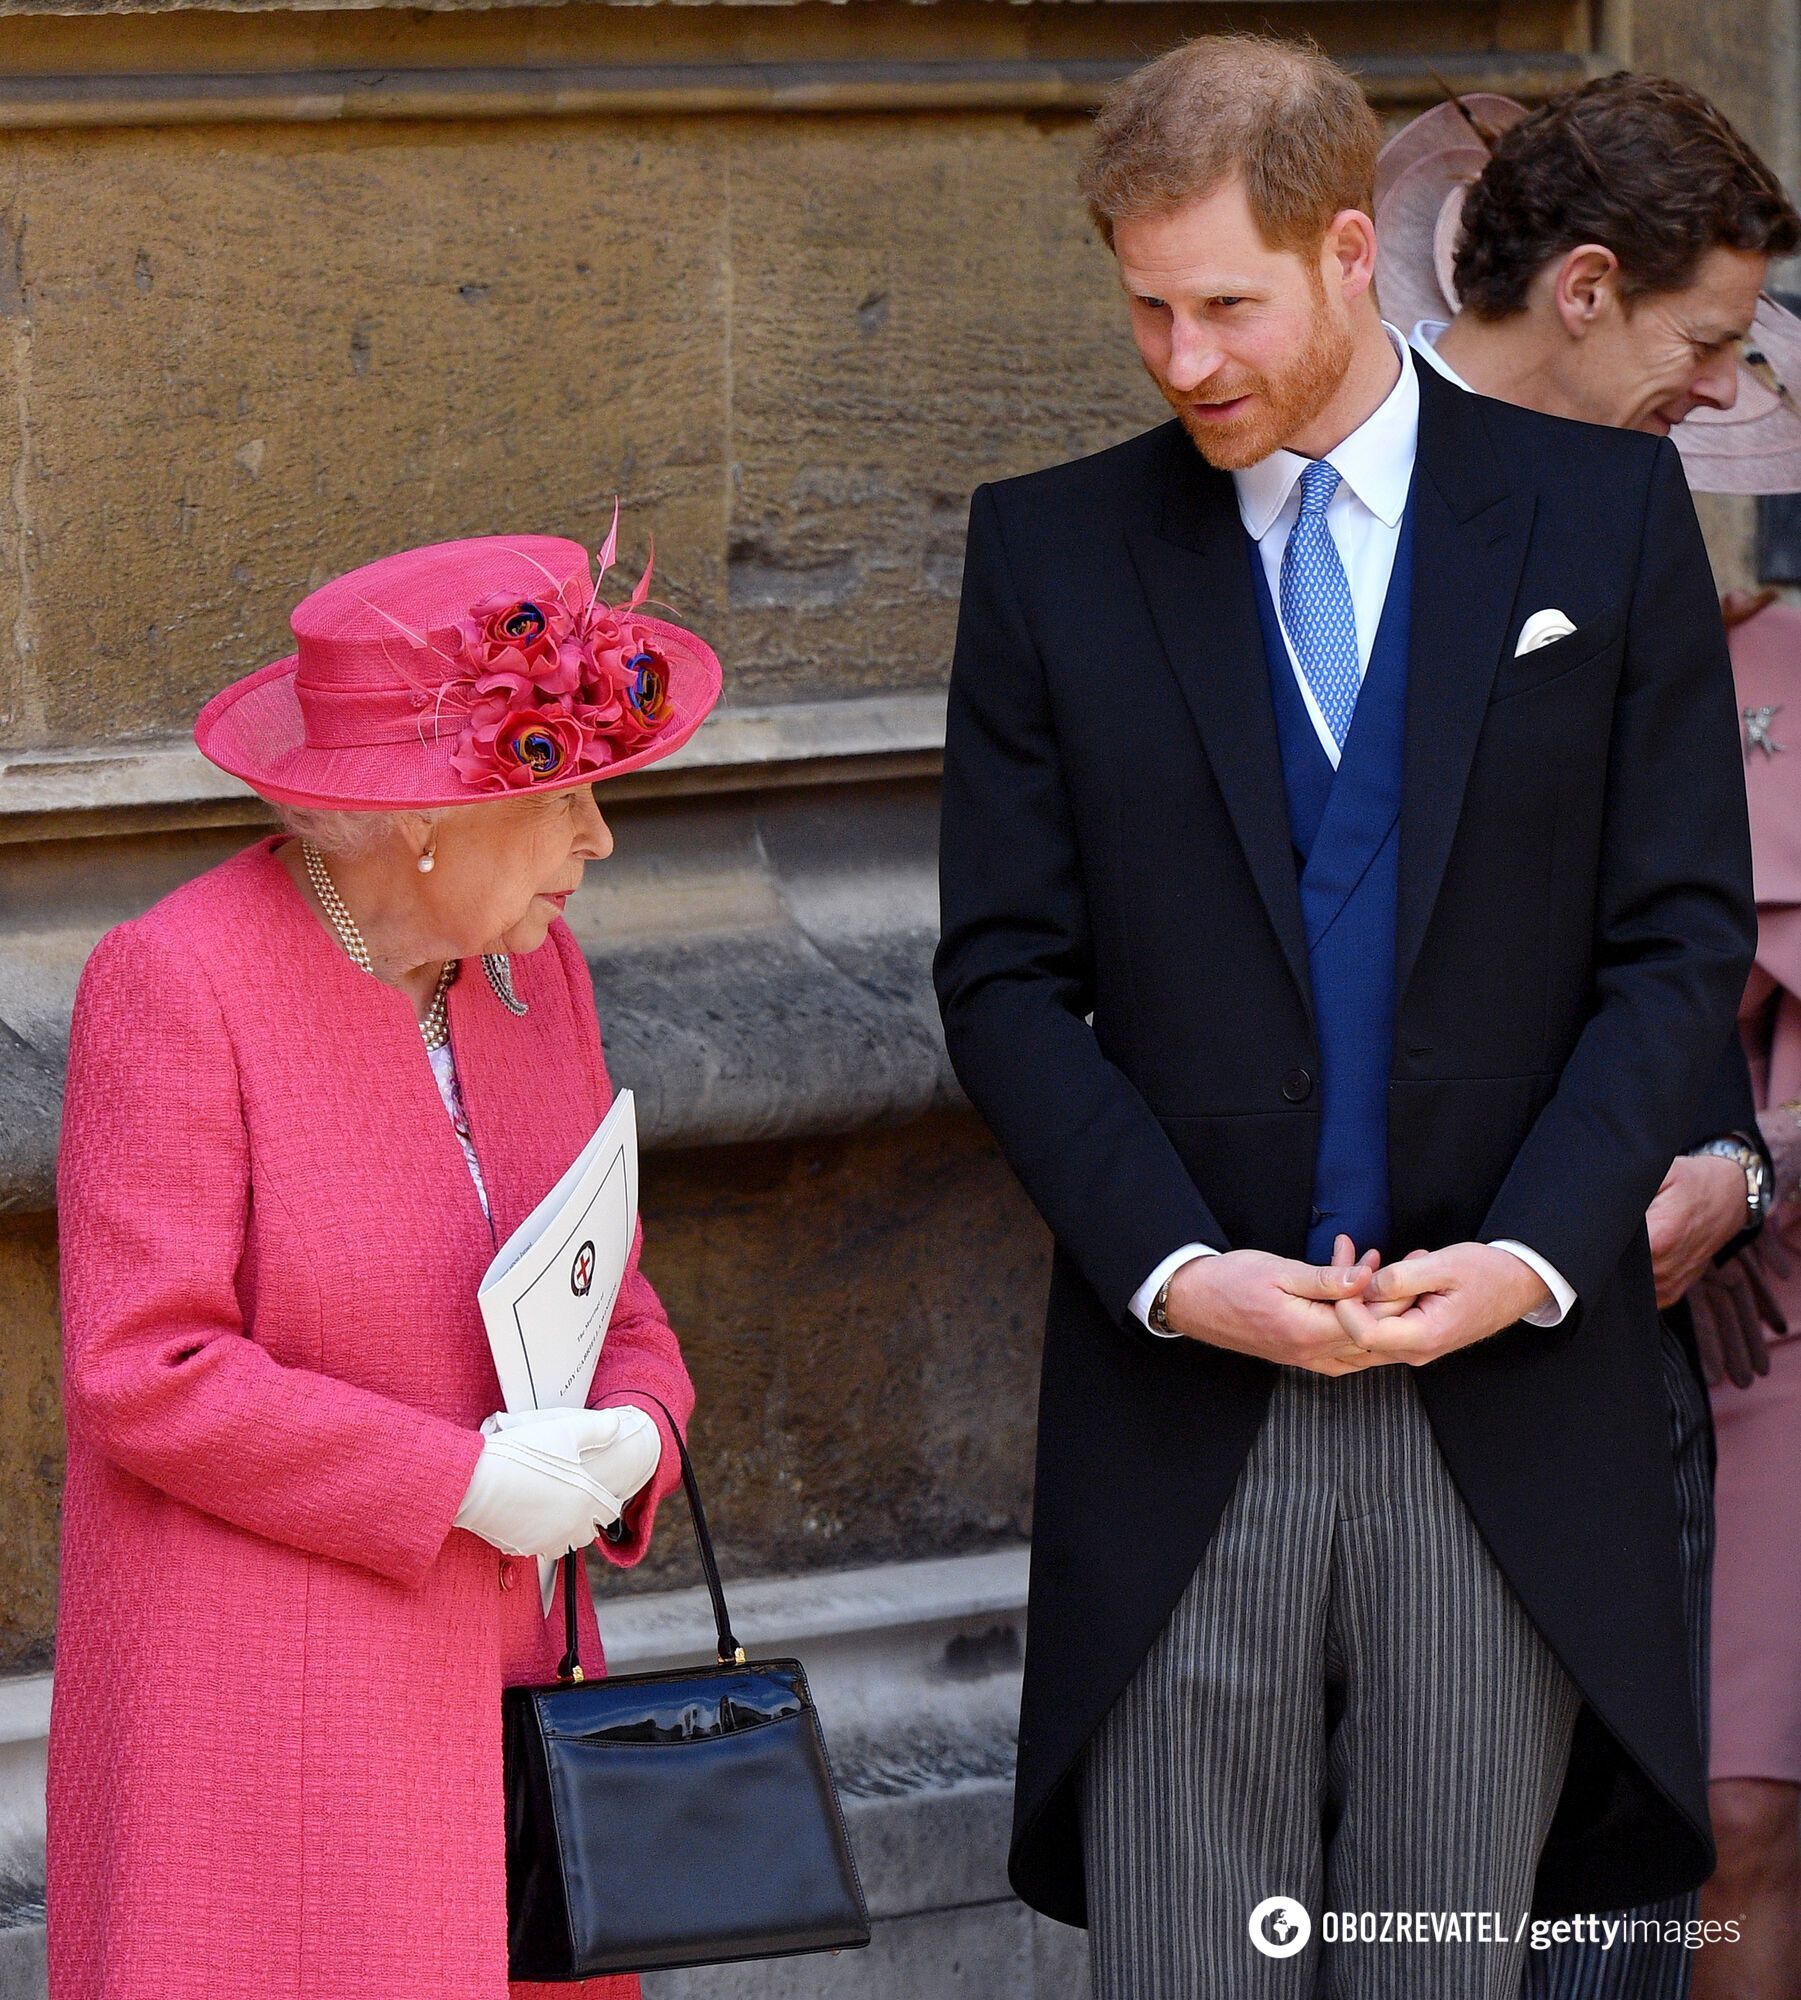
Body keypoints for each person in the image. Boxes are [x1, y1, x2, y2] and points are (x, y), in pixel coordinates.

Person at [932, 34, 1756, 1998]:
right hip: (1183, 1403)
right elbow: (1000, 976)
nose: (1180, 356)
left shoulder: (1597, 523)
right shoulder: (1050, 554)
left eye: (1221, 302)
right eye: (1143, 305)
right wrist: (1168, 1270)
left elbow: (1674, 938)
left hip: (1501, 1408)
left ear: (1337, 253)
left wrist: (1537, 1259)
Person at [47, 529, 719, 2000]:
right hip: (276, 1720)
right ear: (426, 819)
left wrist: (635, 1427)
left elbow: (616, 1288)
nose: (597, 843)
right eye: (565, 798)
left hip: (520, 1707)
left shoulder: (535, 973)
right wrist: (455, 1483)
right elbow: (140, 1372)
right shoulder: (177, 983)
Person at [1371, 74, 1801, 2000]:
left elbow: (1678, 940)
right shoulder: (1332, 515)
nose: (1724, 396)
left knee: (1661, 1854)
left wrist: (1733, 1167)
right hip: (1401, 1301)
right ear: (1584, 290)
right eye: (1703, 344)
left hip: (1687, 1309)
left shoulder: (1661, 557)